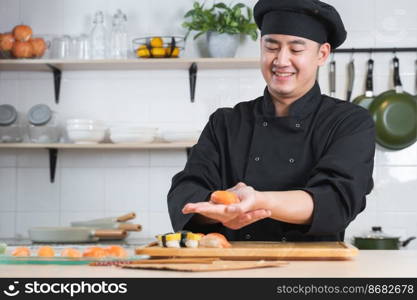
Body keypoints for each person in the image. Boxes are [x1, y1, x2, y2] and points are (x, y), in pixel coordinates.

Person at [167, 0, 375, 242]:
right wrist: (219, 213)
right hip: (232, 269)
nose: (281, 60)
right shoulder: (225, 122)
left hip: (313, 271)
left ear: (322, 54)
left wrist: (258, 202)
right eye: (271, 47)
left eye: (296, 50)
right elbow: (186, 192)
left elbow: (336, 200)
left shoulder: (349, 122)